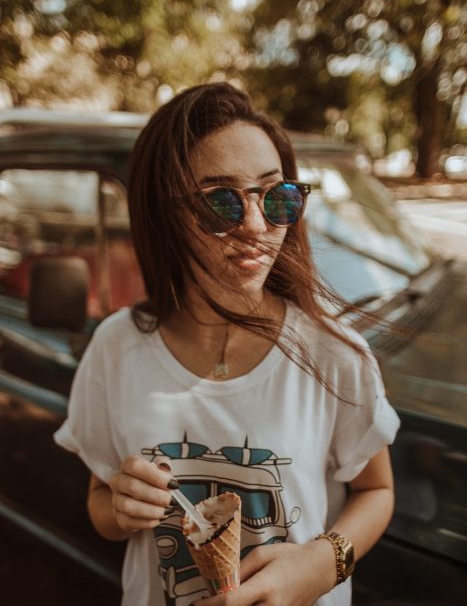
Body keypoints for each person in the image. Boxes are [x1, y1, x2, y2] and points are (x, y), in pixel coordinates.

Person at [55, 82, 400, 606]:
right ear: (164, 214)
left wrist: (327, 560)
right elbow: (101, 504)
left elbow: (377, 490)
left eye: (276, 196)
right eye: (220, 202)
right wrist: (120, 509)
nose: (257, 227)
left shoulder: (335, 351)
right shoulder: (116, 346)